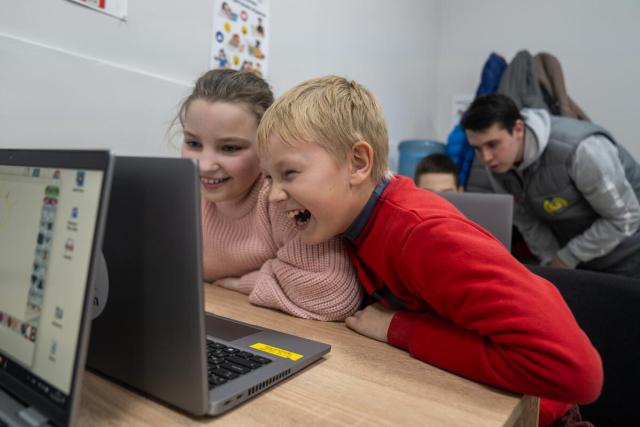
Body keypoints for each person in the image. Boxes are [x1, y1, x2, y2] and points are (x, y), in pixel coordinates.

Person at [256, 75, 603, 426]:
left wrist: (400, 329)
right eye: (269, 177)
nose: (272, 196)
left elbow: (578, 374)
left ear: (359, 163)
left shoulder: (424, 234)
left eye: (290, 173)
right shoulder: (345, 220)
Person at [174, 69, 362, 320]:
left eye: (230, 148)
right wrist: (271, 274)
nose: (205, 165)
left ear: (266, 148)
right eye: (193, 143)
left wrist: (242, 283)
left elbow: (333, 293)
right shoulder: (183, 191)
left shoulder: (281, 198)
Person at [461, 93, 640, 278]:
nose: (486, 158)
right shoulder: (499, 162)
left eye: (493, 144)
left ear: (518, 129)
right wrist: (551, 264)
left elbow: (625, 218)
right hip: (580, 262)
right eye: (477, 148)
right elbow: (527, 222)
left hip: (628, 255)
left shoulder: (583, 150)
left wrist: (566, 258)